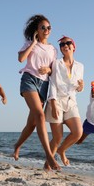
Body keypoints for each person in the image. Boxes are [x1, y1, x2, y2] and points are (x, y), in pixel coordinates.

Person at [13, 14, 61, 171]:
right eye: (43, 27)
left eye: (48, 27)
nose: (46, 30)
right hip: (29, 80)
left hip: (44, 85)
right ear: (37, 30)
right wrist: (33, 43)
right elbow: (21, 59)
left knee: (32, 123)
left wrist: (48, 69)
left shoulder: (53, 49)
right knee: (40, 116)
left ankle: (17, 145)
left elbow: (54, 69)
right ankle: (49, 155)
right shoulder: (29, 43)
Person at [45, 36, 84, 168]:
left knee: (78, 133)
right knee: (57, 137)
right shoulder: (57, 63)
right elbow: (53, 84)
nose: (65, 45)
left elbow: (77, 87)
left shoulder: (80, 66)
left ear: (73, 46)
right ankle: (47, 164)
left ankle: (62, 150)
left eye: (68, 43)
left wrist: (81, 87)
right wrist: (54, 103)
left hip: (71, 101)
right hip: (56, 101)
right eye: (62, 44)